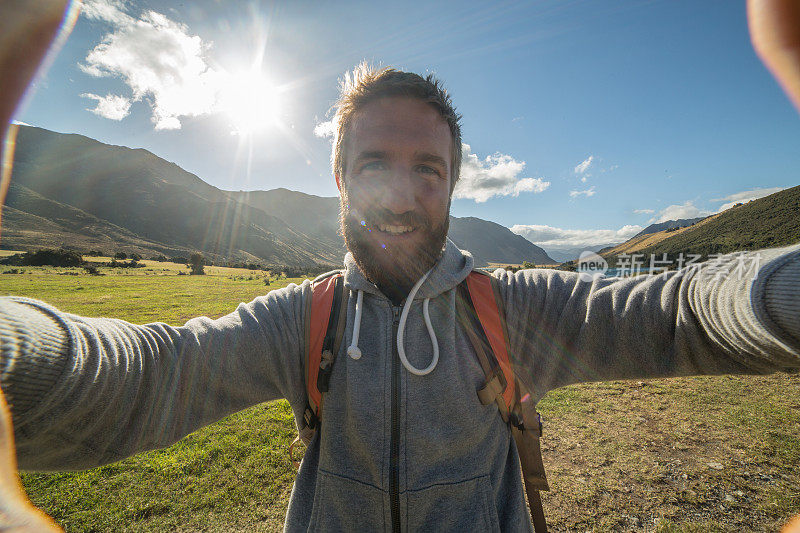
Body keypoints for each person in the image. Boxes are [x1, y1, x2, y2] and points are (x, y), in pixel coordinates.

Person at [1, 2, 799, 532]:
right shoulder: (301, 319)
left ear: (452, 183)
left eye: (429, 168)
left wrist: (782, 296)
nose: (403, 195)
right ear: (341, 178)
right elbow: (150, 377)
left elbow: (674, 311)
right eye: (375, 162)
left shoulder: (509, 311)